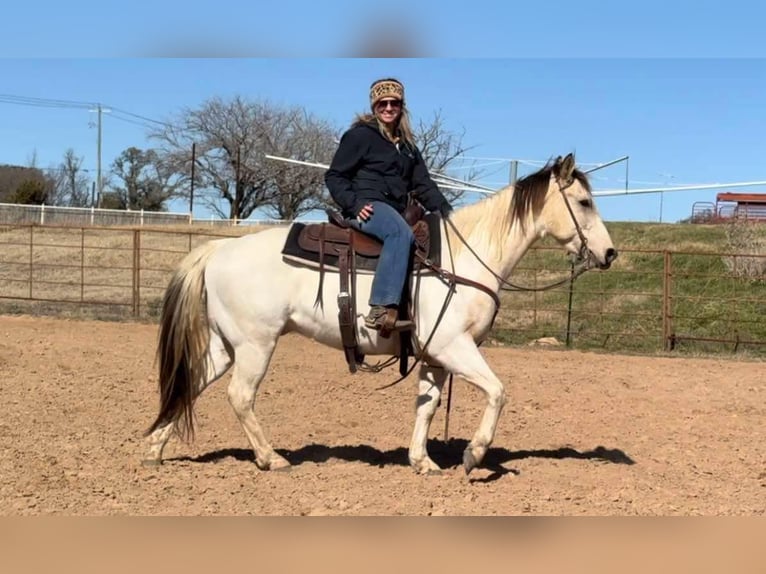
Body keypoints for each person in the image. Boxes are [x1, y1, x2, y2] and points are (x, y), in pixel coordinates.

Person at [324, 77, 453, 332]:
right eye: (382, 103)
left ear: (401, 106)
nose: (388, 108)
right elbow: (335, 176)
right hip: (367, 207)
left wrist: (448, 213)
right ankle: (380, 309)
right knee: (398, 233)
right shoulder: (359, 136)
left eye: (394, 102)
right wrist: (354, 203)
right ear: (374, 106)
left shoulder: (408, 148)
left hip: (394, 210)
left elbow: (424, 185)